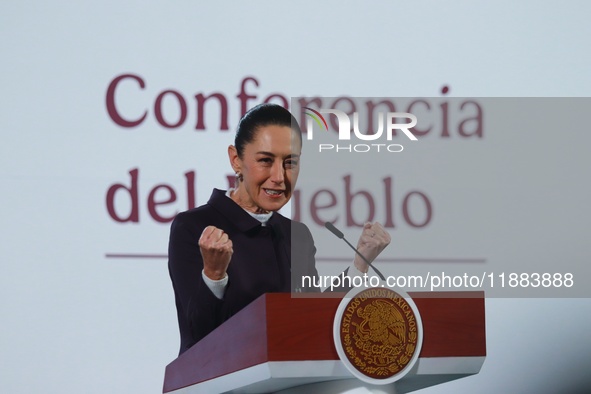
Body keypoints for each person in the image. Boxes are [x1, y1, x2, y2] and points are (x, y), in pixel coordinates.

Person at [168, 103, 390, 355]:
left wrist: (359, 264)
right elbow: (197, 334)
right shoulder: (193, 226)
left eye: (290, 163)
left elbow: (314, 318)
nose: (279, 177)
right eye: (265, 160)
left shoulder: (297, 235)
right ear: (235, 160)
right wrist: (214, 275)